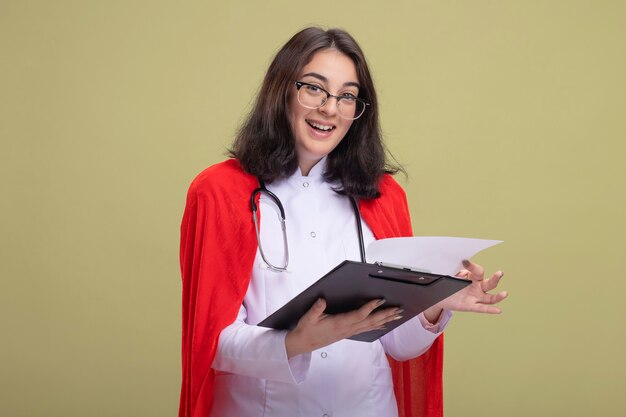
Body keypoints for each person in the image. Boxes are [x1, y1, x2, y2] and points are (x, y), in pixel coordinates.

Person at [178, 27, 507, 417]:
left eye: (347, 96)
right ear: (281, 90)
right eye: (314, 88)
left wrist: (433, 304)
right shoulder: (219, 192)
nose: (330, 108)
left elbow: (398, 346)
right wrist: (297, 341)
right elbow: (210, 343)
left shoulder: (383, 195)